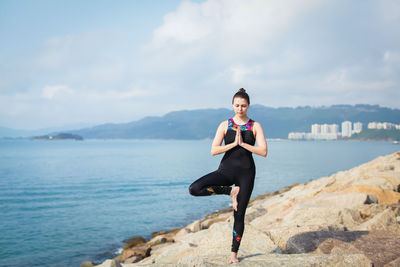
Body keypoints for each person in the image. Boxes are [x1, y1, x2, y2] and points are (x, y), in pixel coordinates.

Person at [188, 88, 268, 264]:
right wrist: (232, 144)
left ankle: (233, 255)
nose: (240, 109)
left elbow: (263, 152)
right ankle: (229, 191)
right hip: (225, 171)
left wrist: (244, 145)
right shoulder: (225, 125)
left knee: (239, 214)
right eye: (237, 105)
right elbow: (214, 150)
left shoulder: (255, 126)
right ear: (233, 105)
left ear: (248, 106)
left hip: (246, 174)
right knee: (194, 189)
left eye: (244, 106)